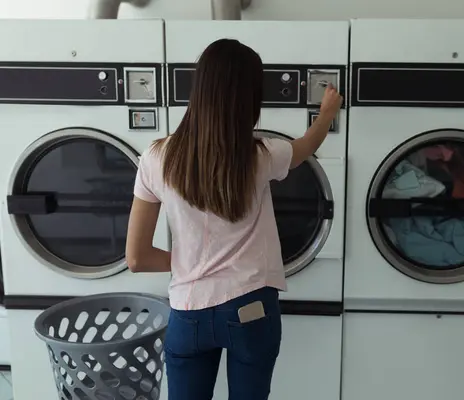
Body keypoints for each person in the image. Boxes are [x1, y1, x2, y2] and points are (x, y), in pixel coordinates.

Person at [124, 38, 343, 400]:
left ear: (200, 89)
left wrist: (188, 261)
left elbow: (136, 258)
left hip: (187, 313)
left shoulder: (156, 158)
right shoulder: (262, 155)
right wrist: (327, 113)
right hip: (250, 310)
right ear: (249, 98)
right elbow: (307, 146)